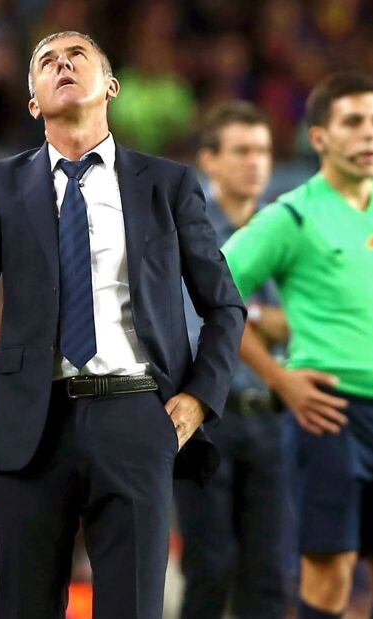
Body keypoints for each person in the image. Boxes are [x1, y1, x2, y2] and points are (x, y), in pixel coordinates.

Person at [0, 31, 246, 619]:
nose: (62, 65)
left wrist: (201, 397)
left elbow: (224, 305)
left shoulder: (167, 185)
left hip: (136, 417)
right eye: (46, 61)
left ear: (111, 86)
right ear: (33, 102)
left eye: (77, 56)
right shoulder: (3, 184)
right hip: (32, 426)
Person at [222, 72, 373, 619]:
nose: (369, 135)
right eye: (353, 122)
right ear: (320, 138)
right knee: (330, 575)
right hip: (329, 414)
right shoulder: (292, 215)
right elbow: (215, 294)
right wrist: (280, 378)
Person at [174, 101, 288, 619]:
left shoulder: (285, 228)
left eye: (263, 151)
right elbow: (203, 325)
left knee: (269, 576)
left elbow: (300, 322)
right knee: (209, 568)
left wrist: (248, 311)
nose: (255, 162)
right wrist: (261, 315)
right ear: (209, 161)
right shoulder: (186, 232)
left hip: (272, 418)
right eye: (241, 151)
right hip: (206, 420)